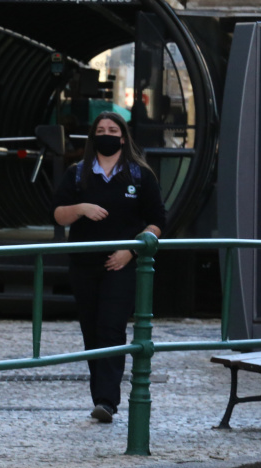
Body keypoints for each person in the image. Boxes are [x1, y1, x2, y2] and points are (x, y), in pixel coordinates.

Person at [52, 112, 167, 424]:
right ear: (92, 137)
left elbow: (158, 221)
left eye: (112, 130)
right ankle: (99, 395)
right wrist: (80, 209)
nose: (106, 134)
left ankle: (107, 400)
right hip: (83, 266)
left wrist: (131, 250)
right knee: (91, 330)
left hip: (121, 267)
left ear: (123, 137)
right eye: (100, 130)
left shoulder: (140, 175)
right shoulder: (77, 173)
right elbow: (59, 215)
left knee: (111, 328)